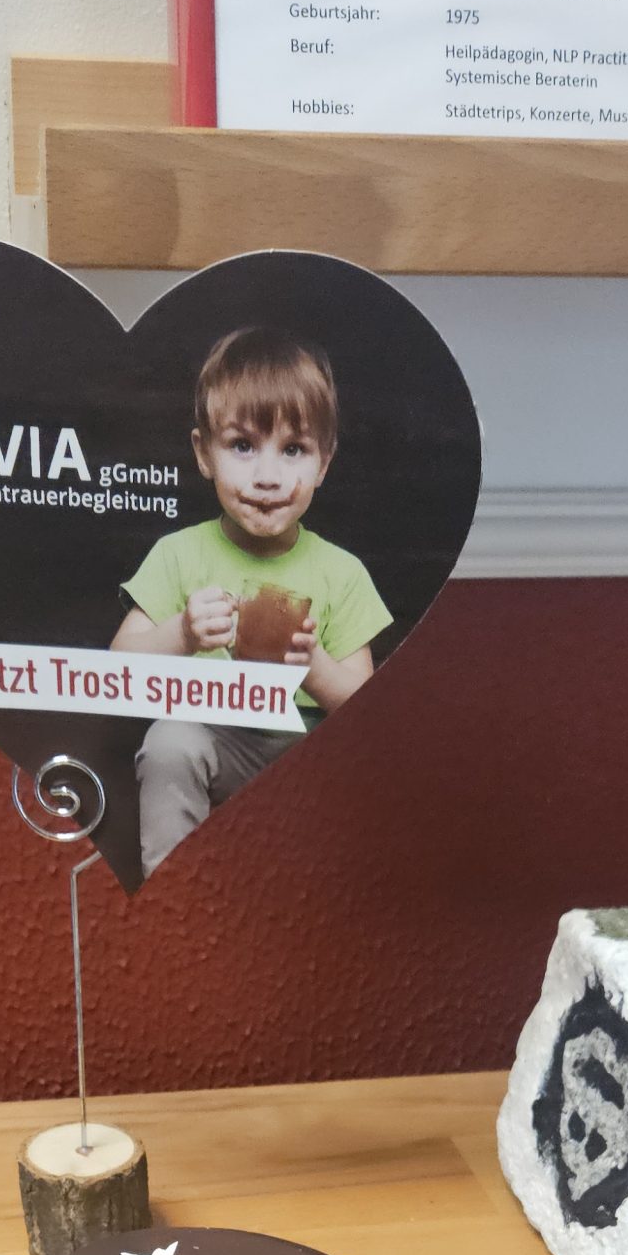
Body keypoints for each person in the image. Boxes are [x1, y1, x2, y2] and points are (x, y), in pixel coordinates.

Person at [112, 327, 393, 876]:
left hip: (305, 749)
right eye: (242, 446)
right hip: (216, 736)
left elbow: (366, 709)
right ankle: (170, 893)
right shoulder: (178, 554)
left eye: (293, 450)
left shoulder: (341, 572)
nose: (267, 477)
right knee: (170, 741)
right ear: (204, 453)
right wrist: (182, 633)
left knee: (365, 773)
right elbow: (119, 669)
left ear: (324, 463)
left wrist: (313, 666)